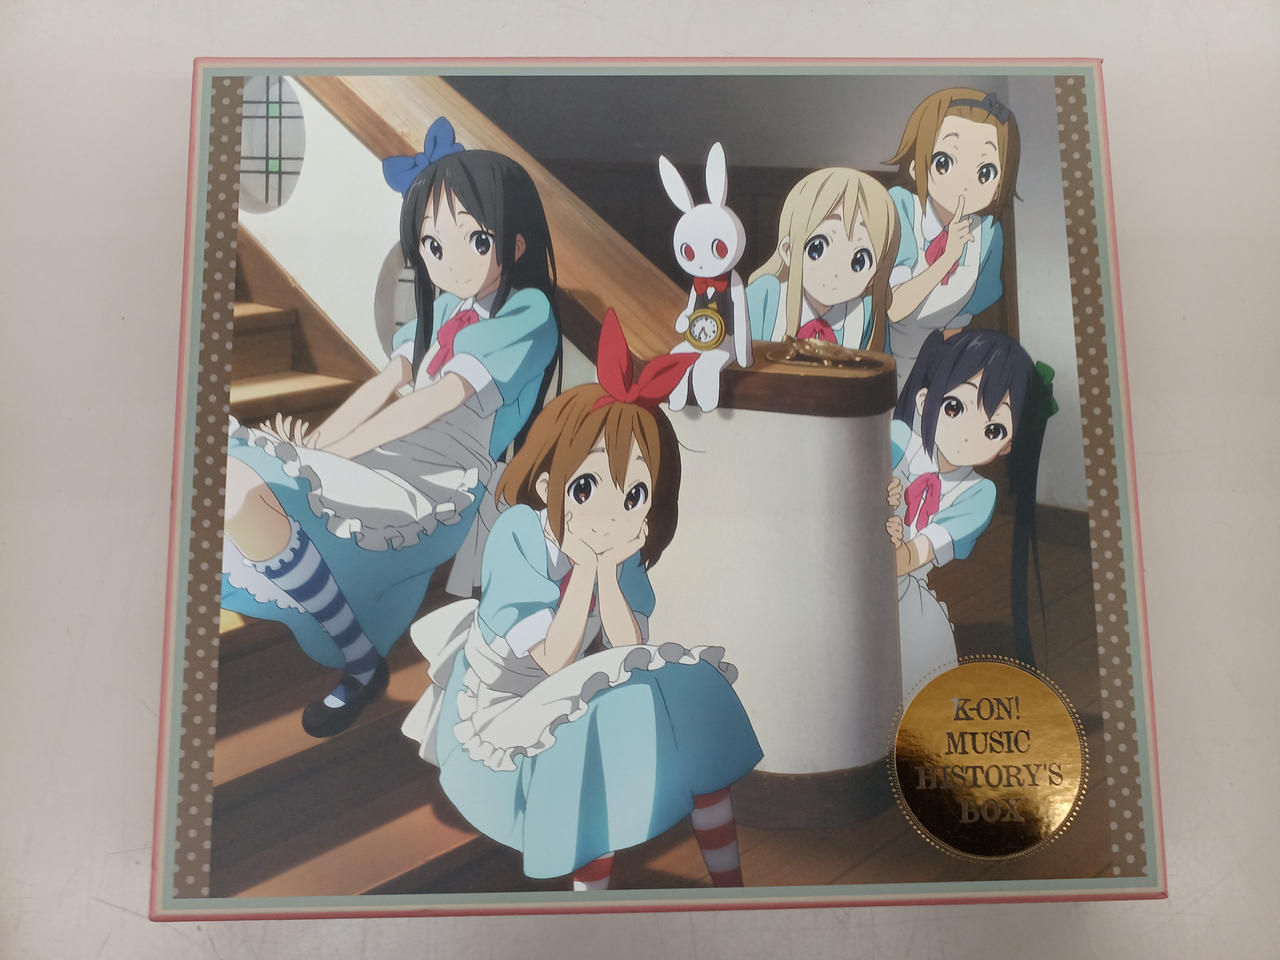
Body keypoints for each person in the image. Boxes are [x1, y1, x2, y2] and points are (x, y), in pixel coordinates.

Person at [221, 119, 561, 737]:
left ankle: (359, 664)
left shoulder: (527, 311)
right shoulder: (447, 308)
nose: (447, 261)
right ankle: (359, 655)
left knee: (251, 487)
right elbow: (387, 382)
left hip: (443, 481)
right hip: (394, 454)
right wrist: (317, 445)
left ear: (513, 243)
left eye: (472, 239)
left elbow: (441, 399)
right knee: (236, 476)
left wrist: (335, 455)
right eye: (432, 244)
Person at [402, 310, 763, 890]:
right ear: (550, 485)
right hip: (500, 715)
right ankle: (590, 913)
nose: (610, 511)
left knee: (692, 685)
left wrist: (607, 571)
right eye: (588, 486)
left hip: (569, 685)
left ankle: (731, 890)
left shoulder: (621, 549)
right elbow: (552, 657)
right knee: (590, 734)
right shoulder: (520, 533)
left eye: (635, 494)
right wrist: (590, 562)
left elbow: (629, 647)